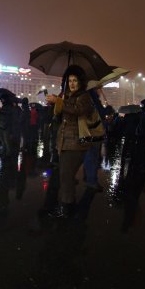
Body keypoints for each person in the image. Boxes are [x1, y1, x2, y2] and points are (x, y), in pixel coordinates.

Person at [46, 65, 95, 218]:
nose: (72, 83)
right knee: (65, 176)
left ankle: (67, 210)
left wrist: (60, 102)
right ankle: (69, 206)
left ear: (81, 82)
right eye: (69, 81)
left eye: (75, 80)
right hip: (64, 142)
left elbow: (78, 109)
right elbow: (59, 118)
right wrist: (54, 105)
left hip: (75, 143)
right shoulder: (68, 97)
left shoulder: (84, 97)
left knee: (66, 177)